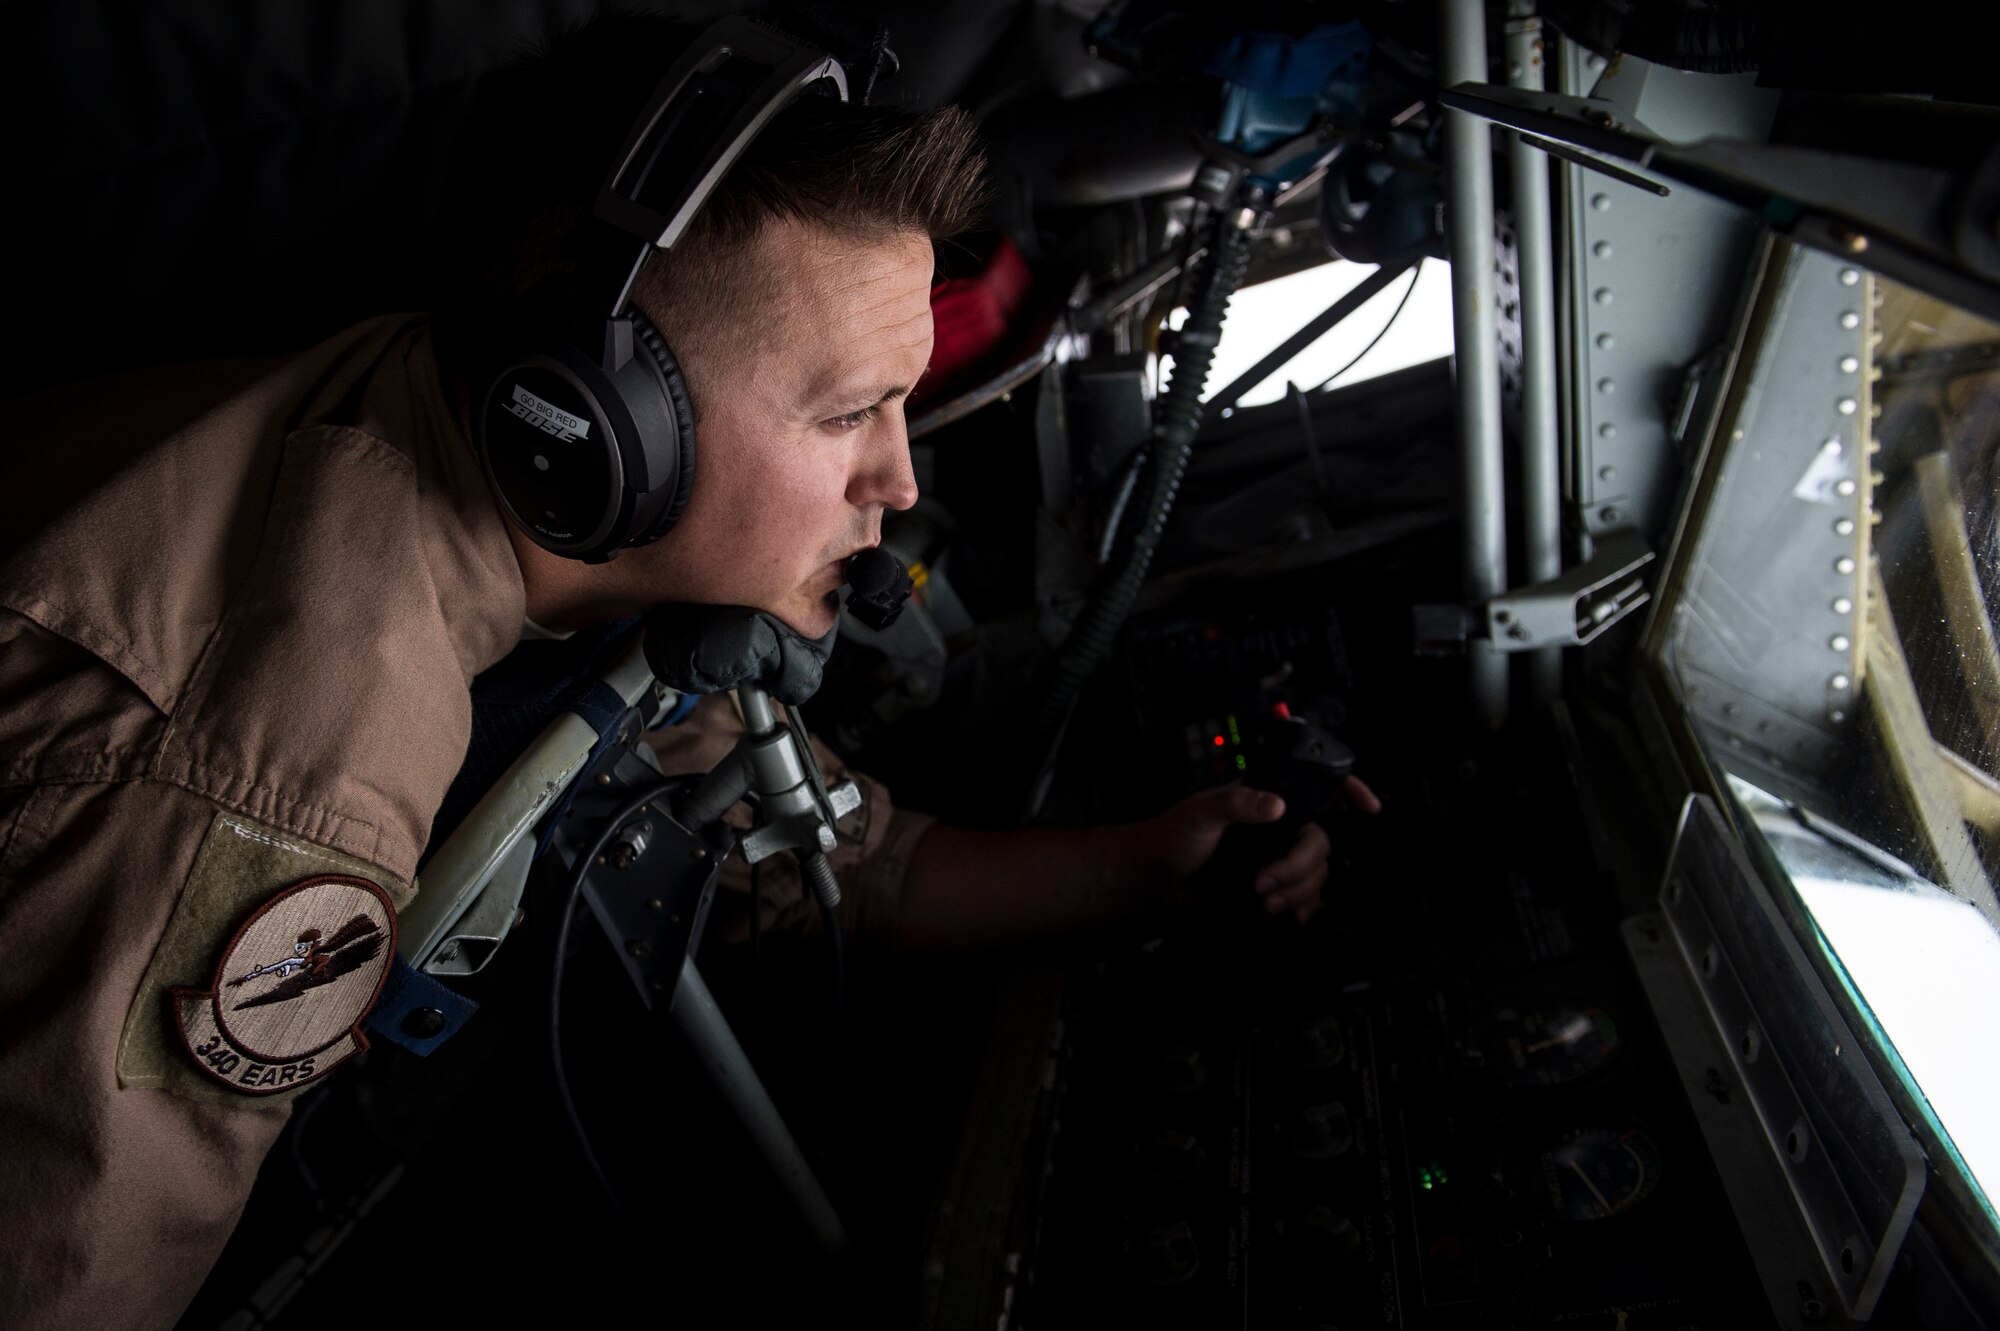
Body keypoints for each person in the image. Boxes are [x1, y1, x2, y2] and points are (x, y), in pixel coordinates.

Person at [0, 15, 1369, 1329]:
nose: (897, 477)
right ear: (600, 426)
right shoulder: (281, 769)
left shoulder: (512, 489)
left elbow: (838, 856)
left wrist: (1144, 867)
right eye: (850, 415)